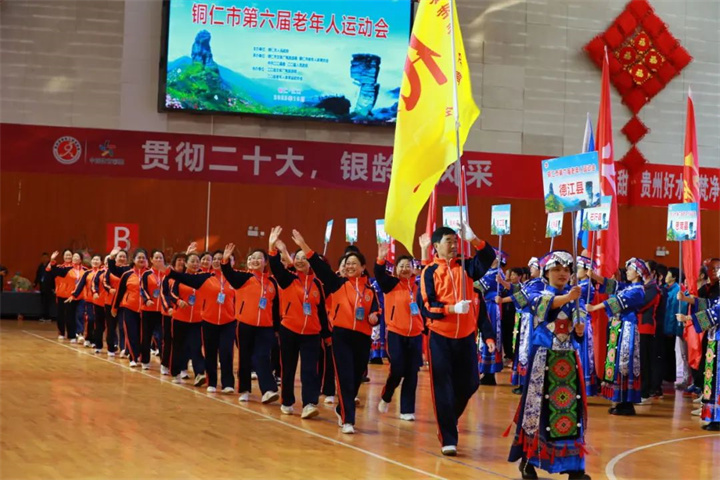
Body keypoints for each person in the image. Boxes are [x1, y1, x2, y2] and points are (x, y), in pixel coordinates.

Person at [507, 251, 590, 480]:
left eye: (567, 270)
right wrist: (569, 298)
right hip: (542, 361)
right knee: (537, 412)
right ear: (546, 272)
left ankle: (575, 467)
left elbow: (580, 329)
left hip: (568, 362)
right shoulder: (537, 291)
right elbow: (542, 308)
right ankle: (528, 461)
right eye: (556, 269)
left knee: (570, 413)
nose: (562, 273)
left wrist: (580, 330)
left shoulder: (577, 297)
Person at [291, 229, 379, 435]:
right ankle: (348, 420)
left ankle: (342, 408)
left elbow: (376, 312)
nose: (350, 266)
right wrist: (303, 245)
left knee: (356, 377)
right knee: (345, 377)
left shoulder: (370, 291)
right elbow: (320, 267)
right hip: (341, 336)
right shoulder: (336, 284)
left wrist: (375, 317)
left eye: (354, 263)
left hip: (363, 338)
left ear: (363, 268)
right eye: (347, 263)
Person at [420, 225, 495, 455]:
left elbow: (488, 258)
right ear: (436, 246)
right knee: (442, 387)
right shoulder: (430, 271)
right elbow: (427, 306)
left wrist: (475, 239)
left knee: (471, 383)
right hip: (440, 337)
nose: (453, 245)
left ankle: (448, 419)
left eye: (455, 241)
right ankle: (448, 437)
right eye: (448, 241)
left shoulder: (467, 266)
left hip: (466, 336)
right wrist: (452, 308)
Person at [268, 227, 330, 419]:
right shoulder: (288, 279)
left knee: (310, 370)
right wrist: (272, 246)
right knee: (288, 368)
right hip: (289, 330)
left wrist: (327, 335)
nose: (301, 260)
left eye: (305, 258)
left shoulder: (318, 284)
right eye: (298, 257)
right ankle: (287, 401)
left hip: (312, 334)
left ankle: (309, 404)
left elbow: (321, 312)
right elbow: (276, 267)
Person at [374, 236, 427, 421]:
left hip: (415, 334)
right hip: (396, 333)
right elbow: (379, 275)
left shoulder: (419, 285)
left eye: (408, 265)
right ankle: (387, 395)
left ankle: (406, 410)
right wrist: (381, 258)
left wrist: (424, 249)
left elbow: (428, 272)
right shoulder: (391, 284)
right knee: (397, 369)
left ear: (413, 268)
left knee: (412, 372)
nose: (405, 269)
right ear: (396, 269)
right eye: (401, 266)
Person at [588, 258, 649, 416]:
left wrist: (594, 307)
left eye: (630, 269)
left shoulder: (638, 291)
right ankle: (620, 400)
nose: (627, 272)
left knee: (625, 363)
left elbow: (617, 301)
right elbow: (613, 285)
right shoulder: (629, 287)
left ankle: (627, 402)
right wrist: (594, 276)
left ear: (638, 273)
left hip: (627, 328)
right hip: (618, 328)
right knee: (616, 363)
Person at [220, 244, 280, 402]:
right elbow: (229, 274)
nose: (255, 260)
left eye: (259, 258)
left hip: (266, 328)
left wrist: (276, 328)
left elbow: (276, 308)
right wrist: (225, 261)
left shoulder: (272, 283)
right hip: (244, 325)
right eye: (252, 258)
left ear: (265, 262)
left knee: (262, 357)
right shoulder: (243, 278)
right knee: (244, 357)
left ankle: (268, 390)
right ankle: (244, 389)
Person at [677, 270, 720, 431]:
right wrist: (686, 298)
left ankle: (717, 416)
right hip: (714, 340)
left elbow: (715, 312)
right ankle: (713, 415)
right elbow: (708, 304)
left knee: (717, 379)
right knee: (712, 378)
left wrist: (688, 318)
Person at [166, 252, 206, 386]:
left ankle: (199, 373)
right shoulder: (180, 278)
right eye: (192, 261)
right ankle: (176, 372)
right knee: (178, 347)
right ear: (186, 263)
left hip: (197, 320)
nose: (195, 264)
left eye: (197, 261)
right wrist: (178, 301)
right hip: (180, 318)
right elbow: (171, 293)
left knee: (196, 346)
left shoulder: (203, 279)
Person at [110, 249, 149, 367]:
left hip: (146, 310)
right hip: (129, 308)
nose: (141, 260)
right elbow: (120, 292)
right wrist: (115, 307)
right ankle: (133, 357)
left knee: (143, 335)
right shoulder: (127, 274)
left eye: (143, 257)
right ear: (134, 260)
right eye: (139, 257)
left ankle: (143, 357)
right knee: (131, 333)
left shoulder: (149, 274)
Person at [476, 249, 508, 385]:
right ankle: (484, 370)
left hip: (491, 307)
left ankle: (490, 372)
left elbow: (480, 286)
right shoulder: (488, 272)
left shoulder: (497, 273)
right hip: (485, 304)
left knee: (491, 334)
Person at [47, 250, 86, 342]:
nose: (68, 257)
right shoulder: (63, 268)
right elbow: (51, 271)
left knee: (72, 315)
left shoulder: (83, 269)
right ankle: (61, 333)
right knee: (61, 315)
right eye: (66, 255)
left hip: (74, 295)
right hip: (61, 294)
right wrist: (52, 260)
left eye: (70, 255)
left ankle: (73, 335)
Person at [139, 250, 167, 370]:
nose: (159, 260)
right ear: (151, 260)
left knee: (162, 338)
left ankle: (164, 364)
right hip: (148, 310)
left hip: (162, 311)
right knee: (146, 336)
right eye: (156, 257)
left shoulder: (167, 274)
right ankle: (145, 360)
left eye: (161, 258)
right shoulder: (146, 274)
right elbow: (142, 289)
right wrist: (147, 300)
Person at [664, 268, 690, 389]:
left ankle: (689, 380)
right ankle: (686, 379)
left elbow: (674, 312)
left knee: (686, 354)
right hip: (676, 326)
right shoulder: (668, 289)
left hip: (684, 326)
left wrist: (671, 329)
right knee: (683, 354)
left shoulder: (679, 292)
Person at [576, 256, 597, 397]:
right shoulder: (580, 285)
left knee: (584, 355)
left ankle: (584, 387)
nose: (576, 270)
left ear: (586, 271)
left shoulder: (586, 287)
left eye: (579, 268)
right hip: (578, 322)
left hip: (583, 323)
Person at [34, 253, 53, 321]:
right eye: (43, 258)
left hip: (49, 287)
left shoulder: (51, 266)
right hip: (42, 287)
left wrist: (53, 287)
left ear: (48, 258)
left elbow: (53, 277)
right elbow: (38, 276)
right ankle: (43, 316)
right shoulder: (40, 266)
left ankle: (47, 316)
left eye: (46, 257)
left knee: (47, 302)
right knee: (42, 302)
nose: (44, 259)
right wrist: (35, 283)